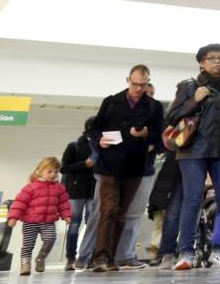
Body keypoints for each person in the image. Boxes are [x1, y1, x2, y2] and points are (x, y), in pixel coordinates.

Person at [165, 44, 220, 269]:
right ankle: (186, 252)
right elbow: (172, 117)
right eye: (211, 58)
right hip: (193, 151)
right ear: (201, 62)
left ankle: (219, 251)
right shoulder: (188, 86)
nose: (217, 61)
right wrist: (195, 100)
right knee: (191, 200)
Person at [87, 64, 164, 272]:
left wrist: (146, 135)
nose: (139, 88)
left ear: (148, 82)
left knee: (122, 212)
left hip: (135, 165)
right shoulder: (111, 102)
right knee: (108, 209)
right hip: (110, 163)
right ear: (128, 80)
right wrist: (99, 140)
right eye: (135, 83)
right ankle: (100, 257)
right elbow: (95, 128)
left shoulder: (154, 107)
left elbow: (160, 137)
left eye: (143, 84)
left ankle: (111, 257)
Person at [114, 82, 159, 270]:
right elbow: (107, 138)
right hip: (119, 171)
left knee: (135, 215)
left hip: (145, 171)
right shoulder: (119, 110)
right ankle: (108, 255)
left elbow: (163, 143)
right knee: (114, 213)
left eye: (151, 94)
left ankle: (127, 255)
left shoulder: (156, 116)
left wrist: (150, 140)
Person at [7, 157, 72, 276]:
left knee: (50, 239)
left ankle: (41, 257)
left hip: (48, 222)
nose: (53, 174)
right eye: (49, 171)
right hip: (30, 221)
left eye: (56, 172)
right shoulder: (30, 187)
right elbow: (19, 203)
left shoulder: (59, 188)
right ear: (40, 171)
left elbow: (63, 204)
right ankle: (25, 265)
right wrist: (13, 218)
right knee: (28, 244)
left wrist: (66, 215)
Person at [61, 117, 97, 271]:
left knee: (92, 224)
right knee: (74, 225)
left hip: (94, 189)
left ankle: (88, 256)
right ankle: (70, 257)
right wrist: (84, 164)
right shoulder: (74, 146)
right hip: (76, 190)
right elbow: (64, 168)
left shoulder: (102, 146)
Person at [148, 148, 182, 269]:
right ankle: (160, 250)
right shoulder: (173, 161)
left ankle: (158, 250)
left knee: (159, 227)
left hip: (158, 201)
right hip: (162, 201)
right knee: (164, 224)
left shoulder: (166, 161)